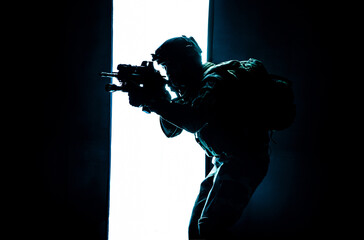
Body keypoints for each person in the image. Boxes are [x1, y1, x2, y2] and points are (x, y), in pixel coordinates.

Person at [128, 36, 271, 239]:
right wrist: (158, 95)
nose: (169, 74)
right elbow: (172, 130)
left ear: (186, 61)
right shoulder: (193, 88)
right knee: (196, 230)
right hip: (224, 159)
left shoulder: (214, 81)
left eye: (170, 66)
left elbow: (194, 120)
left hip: (245, 159)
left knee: (210, 228)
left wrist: (154, 102)